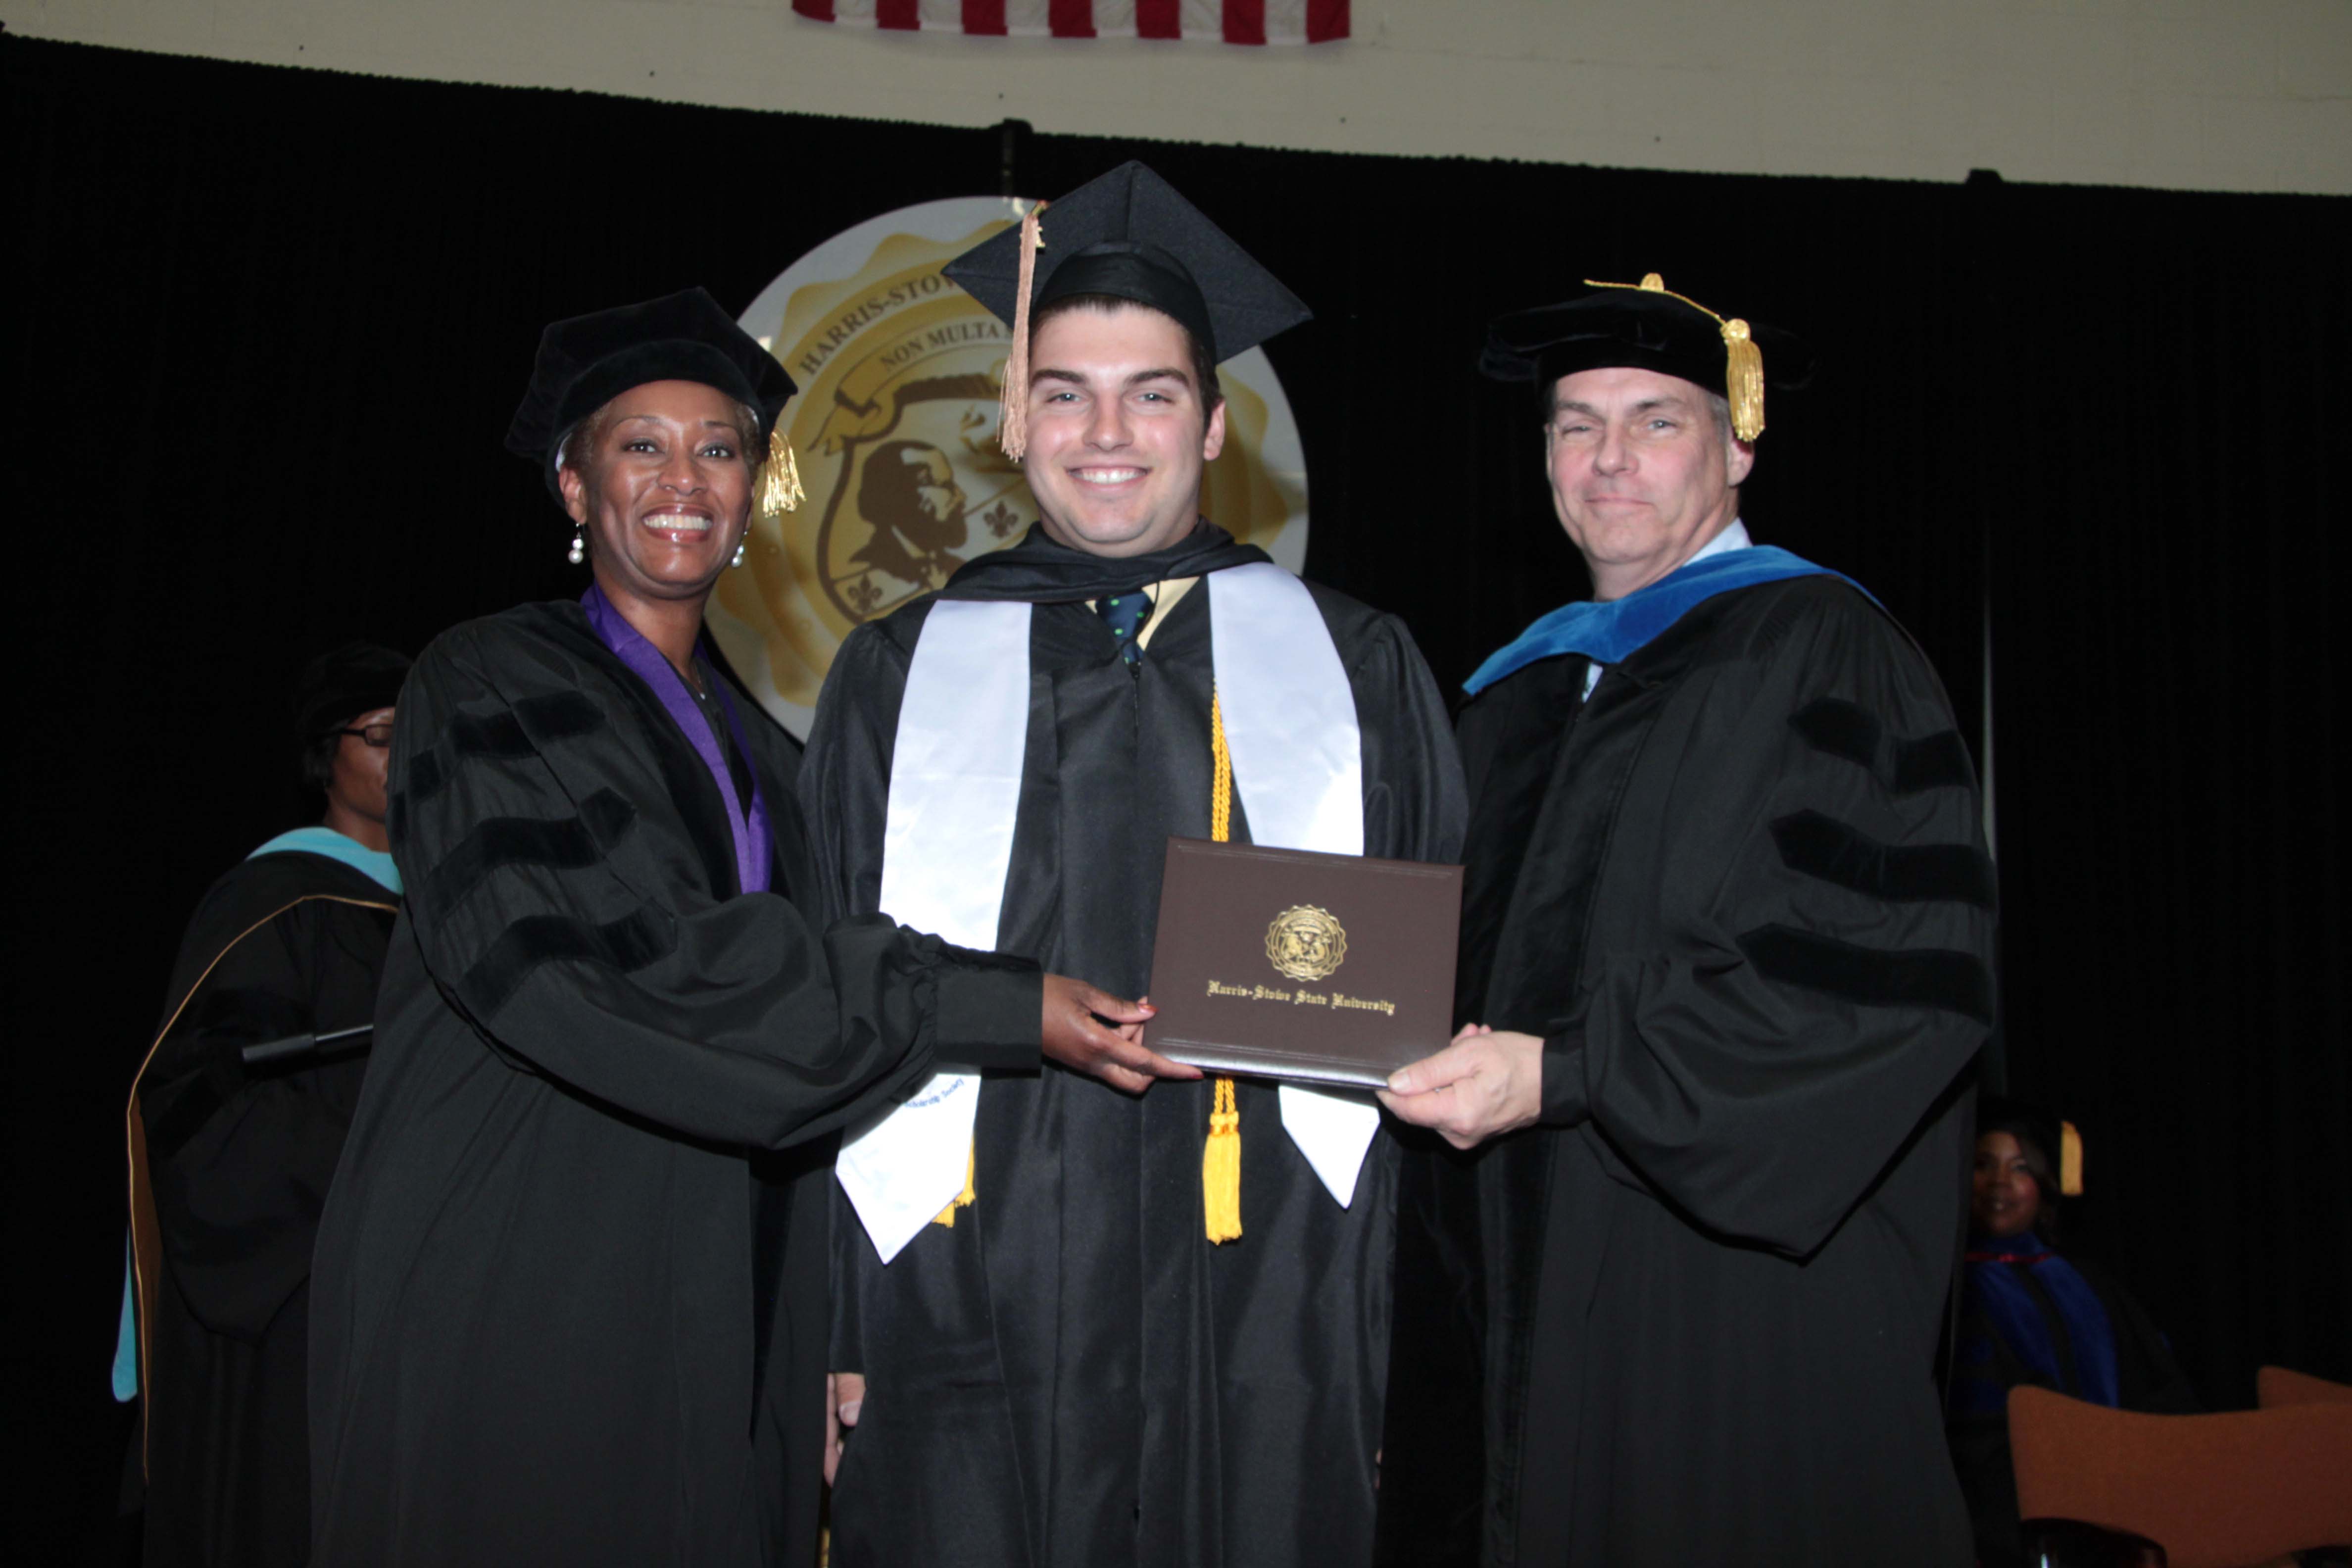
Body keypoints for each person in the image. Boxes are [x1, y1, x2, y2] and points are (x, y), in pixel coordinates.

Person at [304, 288, 1176, 1567]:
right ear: (573, 487)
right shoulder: (490, 683)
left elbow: (813, 1044)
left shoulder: (771, 752)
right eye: (640, 446)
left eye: (718, 449)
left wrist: (829, 1331)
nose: (683, 479)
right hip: (520, 1254)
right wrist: (996, 1003)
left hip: (720, 1280)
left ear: (753, 491)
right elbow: (629, 968)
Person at [802, 162, 1467, 1568]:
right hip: (962, 1263)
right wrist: (834, 1321)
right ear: (1014, 420)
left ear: (1213, 425)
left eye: (1150, 394)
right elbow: (828, 991)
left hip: (1276, 1273)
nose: (1106, 434)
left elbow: (1424, 1021)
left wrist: (1400, 1345)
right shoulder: (898, 672)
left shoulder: (1352, 666)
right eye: (1065, 393)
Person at [1374, 275, 1997, 1566]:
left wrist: (1573, 1072)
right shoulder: (1512, 695)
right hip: (1513, 1280)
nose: (1609, 458)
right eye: (1576, 424)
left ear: (1738, 446)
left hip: (1723, 1292)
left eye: (1656, 421)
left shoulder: (1826, 648)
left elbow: (1877, 986)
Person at [124, 639, 410, 1567]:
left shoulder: (453, 917)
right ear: (327, 755)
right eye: (383, 735)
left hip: (414, 1291)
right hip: (297, 1289)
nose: (408, 756)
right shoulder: (271, 900)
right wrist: (377, 1158)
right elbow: (200, 1107)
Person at [1948, 1099, 2200, 1567]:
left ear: (2045, 1187)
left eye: (2020, 1168)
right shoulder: (1951, 1292)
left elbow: (2161, 1387)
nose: (1999, 1182)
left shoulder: (2092, 1284)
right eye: (1983, 1165)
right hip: (2012, 1519)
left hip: (2122, 1502)